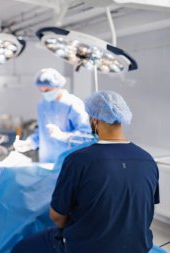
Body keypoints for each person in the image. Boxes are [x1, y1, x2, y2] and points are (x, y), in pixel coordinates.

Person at [12, 90, 160, 253]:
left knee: (21, 248)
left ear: (94, 120)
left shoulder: (78, 160)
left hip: (87, 248)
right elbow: (145, 209)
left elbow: (57, 217)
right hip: (138, 248)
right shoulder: (147, 160)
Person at [13, 68, 91, 163]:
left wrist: (63, 136)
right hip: (46, 161)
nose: (45, 93)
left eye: (48, 89)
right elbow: (42, 133)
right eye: (41, 90)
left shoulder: (73, 104)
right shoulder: (42, 105)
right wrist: (30, 143)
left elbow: (86, 136)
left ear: (58, 86)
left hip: (68, 162)